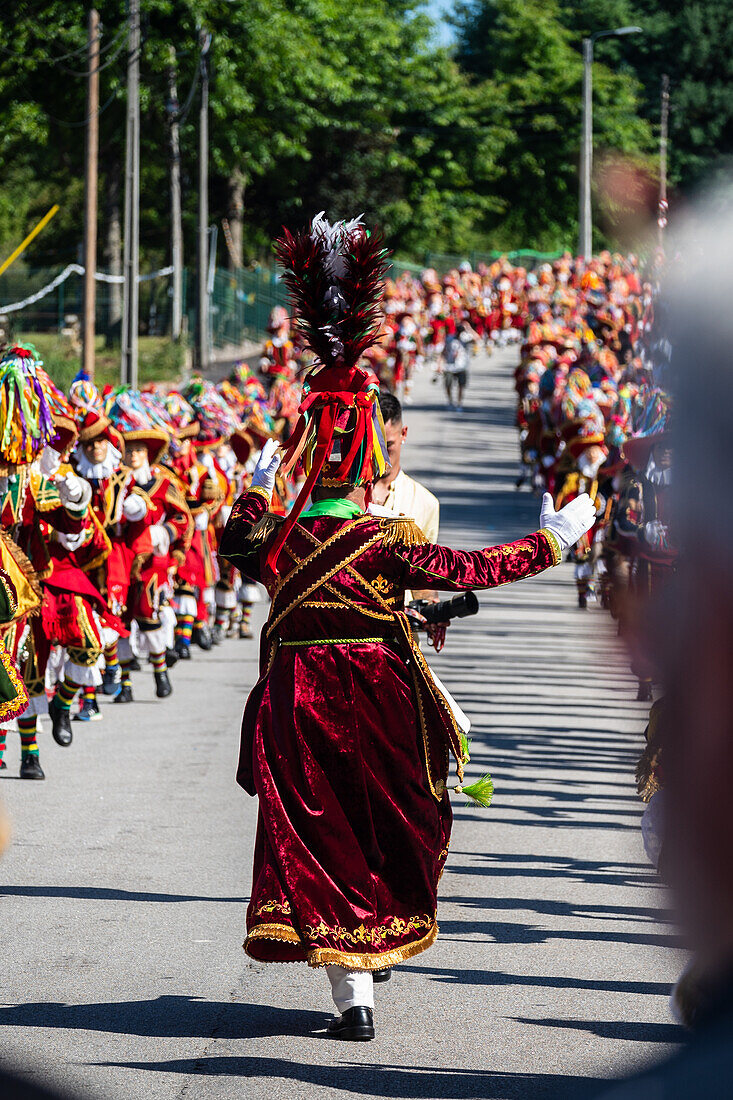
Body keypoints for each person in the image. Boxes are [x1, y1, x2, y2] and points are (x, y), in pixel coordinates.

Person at [219, 213, 595, 1042]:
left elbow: (233, 534)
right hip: (378, 693)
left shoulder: (274, 536)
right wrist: (556, 539)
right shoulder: (387, 537)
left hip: (294, 700)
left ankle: (353, 996)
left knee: (317, 837)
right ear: (365, 452)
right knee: (399, 822)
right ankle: (371, 956)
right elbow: (475, 571)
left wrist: (256, 483)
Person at [372, 392, 439, 542]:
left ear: (403, 434)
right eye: (374, 446)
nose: (380, 456)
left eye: (387, 446)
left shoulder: (426, 503)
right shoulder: (347, 494)